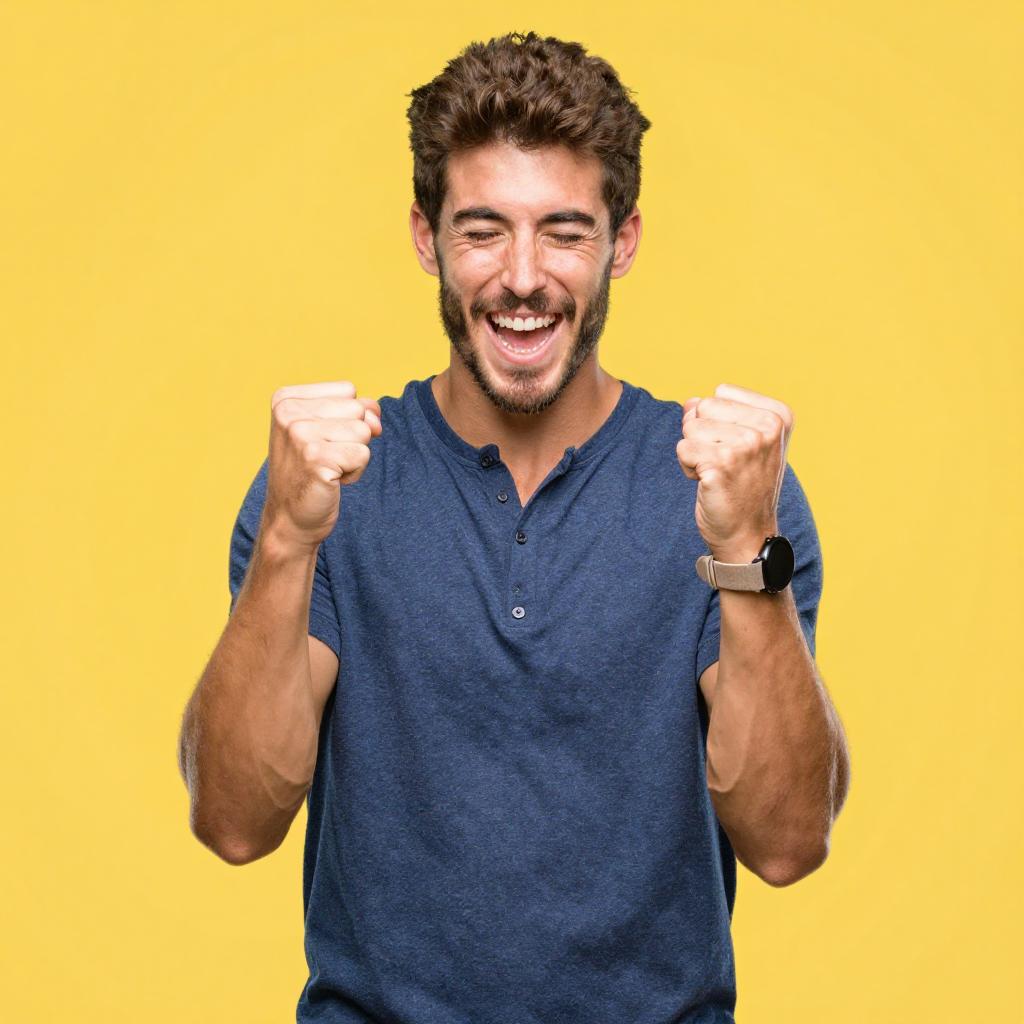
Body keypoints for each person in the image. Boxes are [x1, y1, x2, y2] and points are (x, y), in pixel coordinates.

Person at [177, 30, 850, 1024]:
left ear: (621, 242)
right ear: (425, 236)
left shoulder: (720, 491)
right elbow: (234, 822)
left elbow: (788, 842)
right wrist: (286, 537)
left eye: (565, 232)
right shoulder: (331, 482)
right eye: (483, 229)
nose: (522, 278)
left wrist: (747, 552)